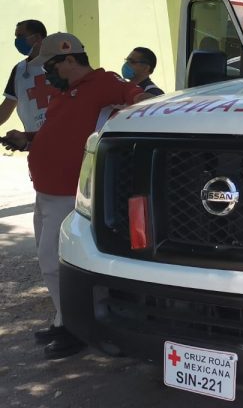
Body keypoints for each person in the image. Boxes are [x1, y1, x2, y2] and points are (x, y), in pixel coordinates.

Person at [2, 32, 153, 359]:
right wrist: (28, 138)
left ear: (69, 59)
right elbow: (61, 132)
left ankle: (74, 328)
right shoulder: (67, 92)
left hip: (67, 194)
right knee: (48, 261)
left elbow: (134, 94)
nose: (46, 73)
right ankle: (63, 320)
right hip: (45, 192)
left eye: (51, 66)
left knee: (54, 262)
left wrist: (142, 102)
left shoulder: (102, 83)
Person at [1, 19, 56, 132]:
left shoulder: (62, 62)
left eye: (20, 36)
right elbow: (5, 110)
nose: (17, 41)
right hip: (35, 143)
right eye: (16, 37)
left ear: (37, 37)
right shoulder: (19, 70)